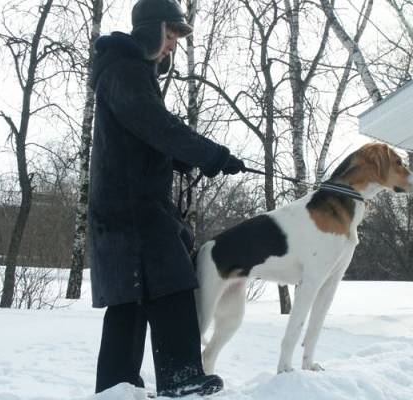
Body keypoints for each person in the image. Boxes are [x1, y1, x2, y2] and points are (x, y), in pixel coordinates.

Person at [87, 0, 246, 396]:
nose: (173, 44)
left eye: (176, 38)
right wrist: (211, 154)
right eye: (170, 35)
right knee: (172, 280)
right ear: (150, 30)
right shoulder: (125, 71)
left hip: (127, 205)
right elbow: (156, 125)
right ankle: (181, 377)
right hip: (132, 210)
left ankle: (116, 386)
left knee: (131, 298)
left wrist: (181, 159)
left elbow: (142, 135)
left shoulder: (126, 71)